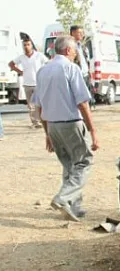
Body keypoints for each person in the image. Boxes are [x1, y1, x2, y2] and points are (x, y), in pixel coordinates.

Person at [32, 35, 99, 222]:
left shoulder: (43, 71)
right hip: (70, 123)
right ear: (68, 50)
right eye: (75, 50)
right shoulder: (70, 68)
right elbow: (83, 103)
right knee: (84, 161)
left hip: (52, 125)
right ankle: (63, 198)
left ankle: (73, 206)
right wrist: (93, 130)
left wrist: (47, 134)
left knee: (69, 164)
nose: (76, 53)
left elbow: (39, 106)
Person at [8, 38, 48, 128]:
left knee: (40, 103)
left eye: (28, 44)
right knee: (31, 105)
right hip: (27, 84)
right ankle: (35, 122)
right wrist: (20, 71)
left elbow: (48, 63)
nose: (26, 47)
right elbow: (11, 64)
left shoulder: (39, 56)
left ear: (32, 46)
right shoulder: (21, 57)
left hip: (38, 83)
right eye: (24, 45)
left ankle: (43, 120)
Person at [69, 25, 95, 109]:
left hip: (85, 75)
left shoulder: (82, 46)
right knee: (80, 100)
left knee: (87, 98)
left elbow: (86, 61)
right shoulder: (70, 46)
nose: (81, 34)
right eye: (79, 32)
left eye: (82, 32)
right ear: (72, 33)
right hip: (77, 76)